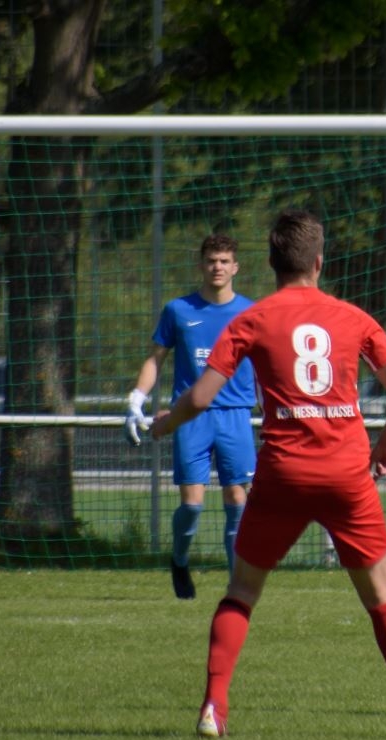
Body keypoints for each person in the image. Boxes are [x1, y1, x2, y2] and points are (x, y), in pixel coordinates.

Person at [150, 209, 386, 740]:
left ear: (270, 262)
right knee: (381, 595)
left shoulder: (252, 318)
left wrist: (167, 422)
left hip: (283, 474)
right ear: (319, 262)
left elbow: (203, 396)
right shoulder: (354, 318)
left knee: (242, 590)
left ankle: (213, 708)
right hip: (347, 474)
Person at [125, 234, 257, 600]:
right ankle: (180, 561)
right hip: (190, 417)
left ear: (235, 267)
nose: (217, 267)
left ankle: (236, 587)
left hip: (234, 415)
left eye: (224, 261)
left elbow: (266, 363)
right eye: (211, 260)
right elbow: (155, 359)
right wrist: (136, 399)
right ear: (201, 265)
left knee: (237, 500)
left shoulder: (251, 313)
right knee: (192, 505)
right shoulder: (178, 310)